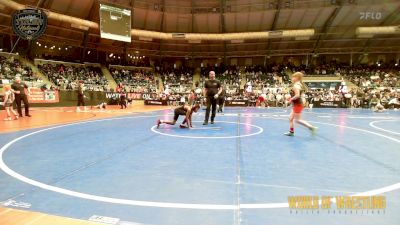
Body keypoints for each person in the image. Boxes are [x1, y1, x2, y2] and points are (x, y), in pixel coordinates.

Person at [284, 72, 317, 136]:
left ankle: (312, 128)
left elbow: (297, 95)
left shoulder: (296, 85)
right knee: (291, 118)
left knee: (298, 120)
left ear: (297, 78)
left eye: (293, 77)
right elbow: (296, 95)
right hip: (297, 104)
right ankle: (291, 132)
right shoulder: (298, 84)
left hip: (298, 105)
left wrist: (290, 100)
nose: (292, 78)